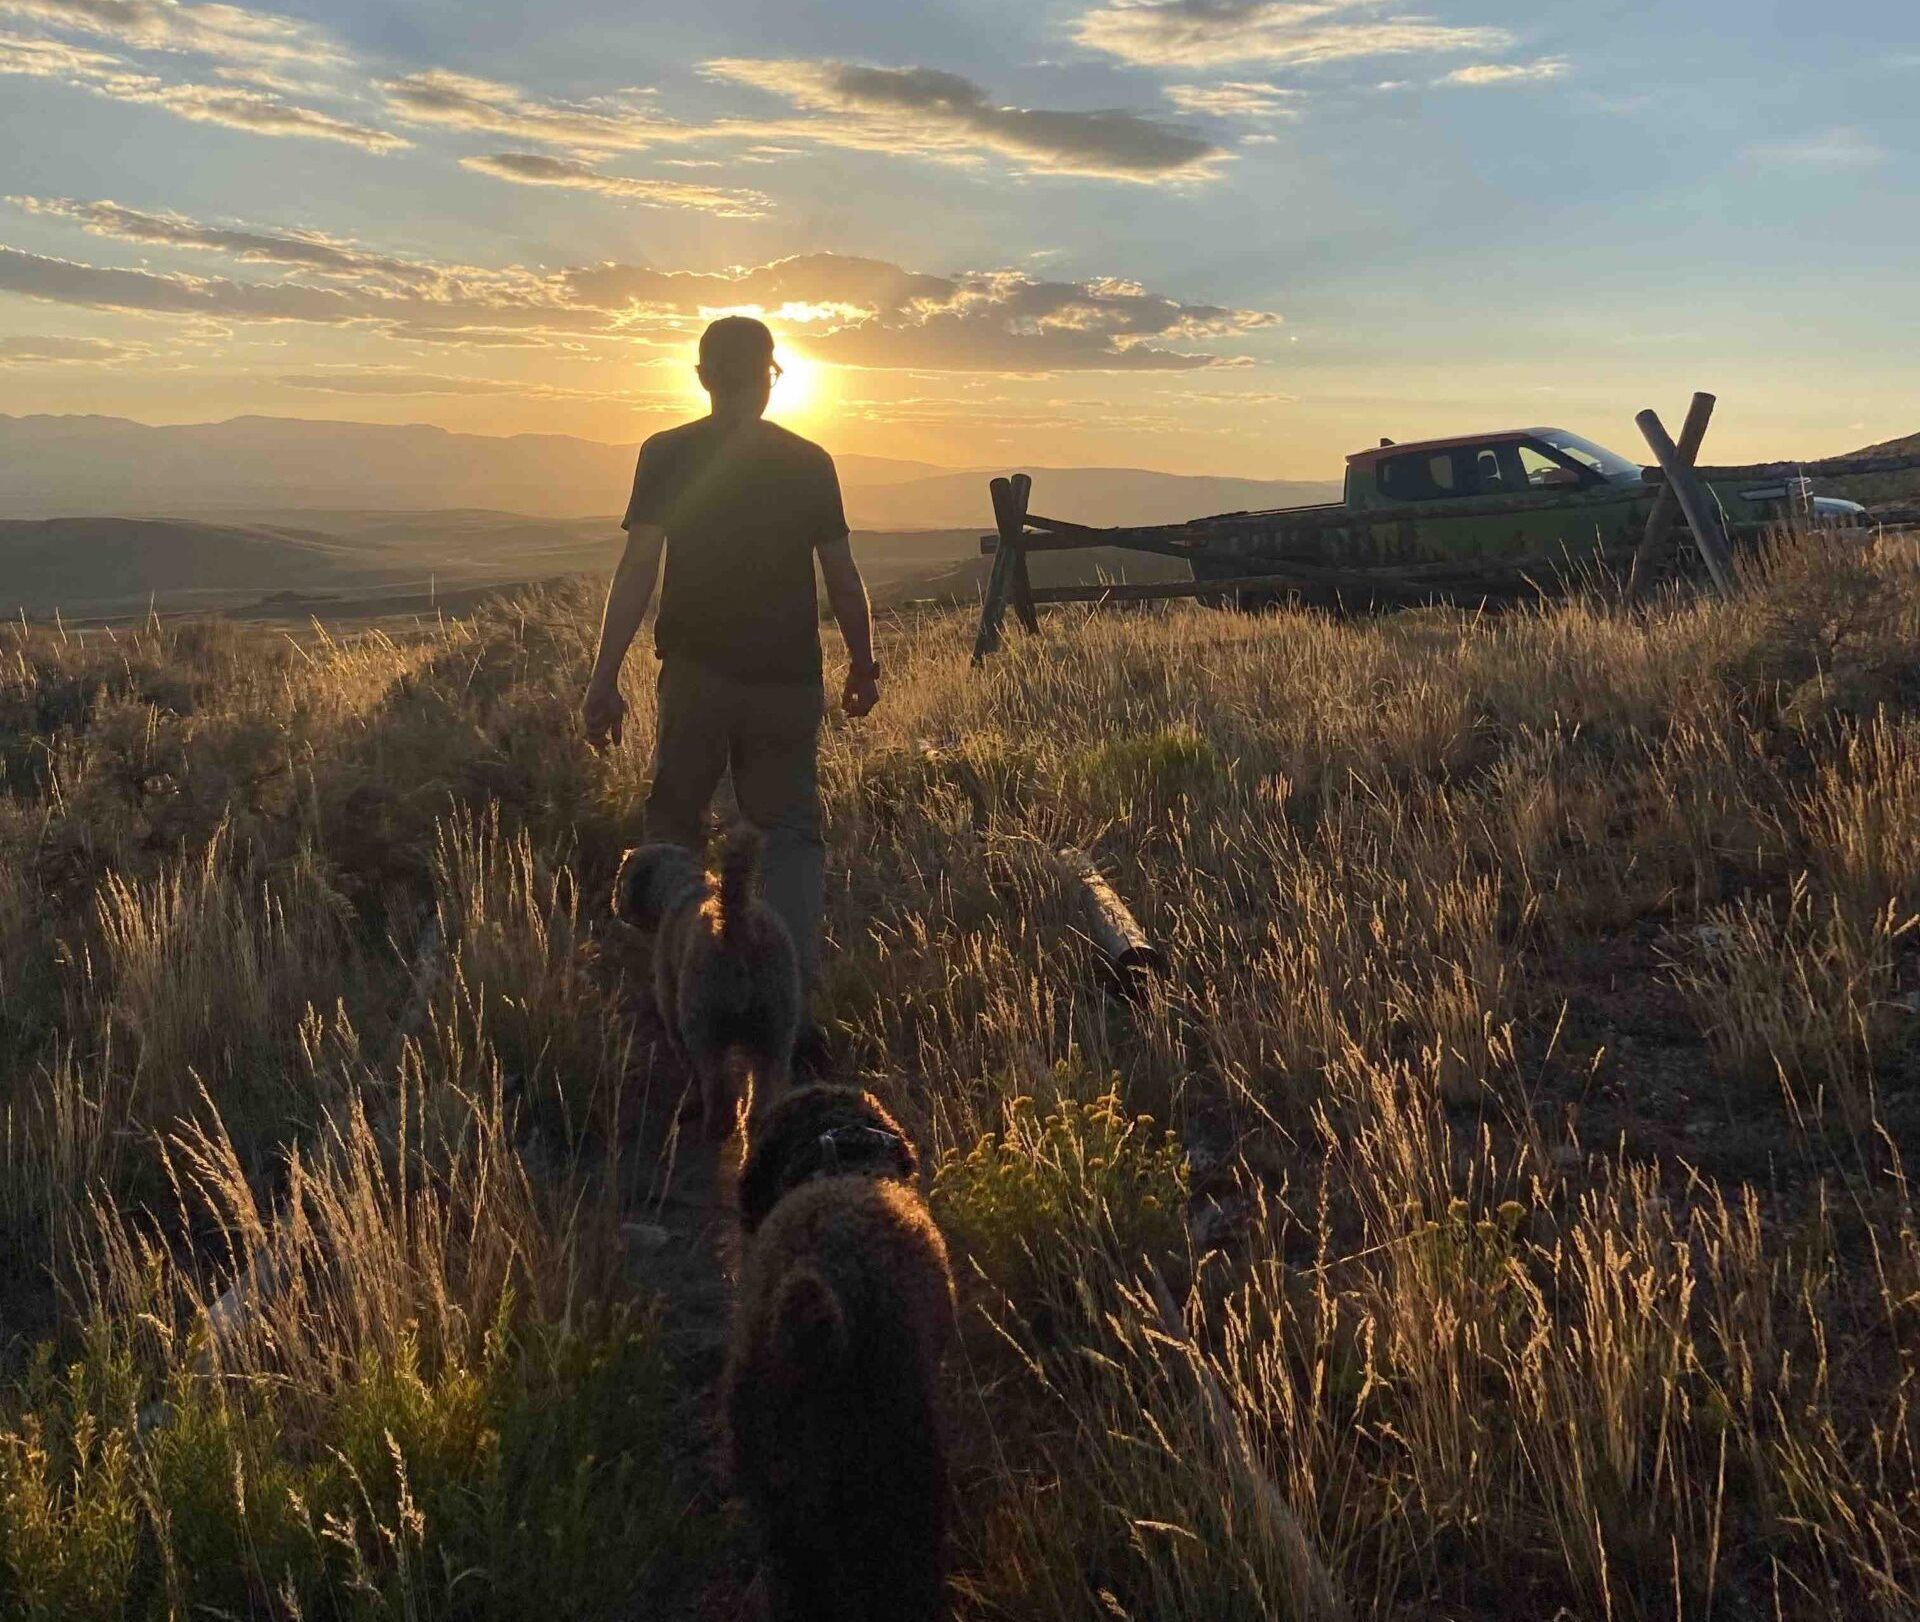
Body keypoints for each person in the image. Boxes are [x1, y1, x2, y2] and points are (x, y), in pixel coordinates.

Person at [582, 315, 878, 1040]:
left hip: (695, 676)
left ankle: (679, 995)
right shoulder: (809, 461)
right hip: (788, 679)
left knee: (675, 827)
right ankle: (792, 1002)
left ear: (703, 376)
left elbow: (637, 571)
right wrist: (864, 662)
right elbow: (840, 575)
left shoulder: (666, 454)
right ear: (770, 377)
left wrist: (604, 676)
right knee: (789, 837)